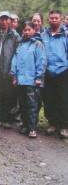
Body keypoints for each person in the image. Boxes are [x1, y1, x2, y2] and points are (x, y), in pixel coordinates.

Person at [11, 21, 46, 139]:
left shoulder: (37, 44)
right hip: (21, 81)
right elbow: (14, 62)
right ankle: (25, 125)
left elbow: (41, 62)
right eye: (24, 30)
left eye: (29, 30)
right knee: (23, 104)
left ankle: (32, 128)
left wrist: (39, 77)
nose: (26, 32)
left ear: (34, 30)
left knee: (32, 105)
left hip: (32, 81)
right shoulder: (20, 45)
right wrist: (14, 76)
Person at [41, 10, 68, 139]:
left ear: (61, 19)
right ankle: (52, 124)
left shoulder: (66, 34)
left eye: (56, 18)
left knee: (63, 99)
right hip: (47, 72)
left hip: (63, 71)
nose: (54, 20)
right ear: (48, 20)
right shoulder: (43, 35)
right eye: (51, 18)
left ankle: (64, 126)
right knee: (49, 99)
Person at [0, 11, 20, 128]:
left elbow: (18, 54)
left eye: (6, 19)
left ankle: (8, 120)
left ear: (10, 21)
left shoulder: (15, 36)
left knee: (10, 96)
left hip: (10, 71)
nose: (4, 22)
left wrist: (13, 70)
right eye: (1, 19)